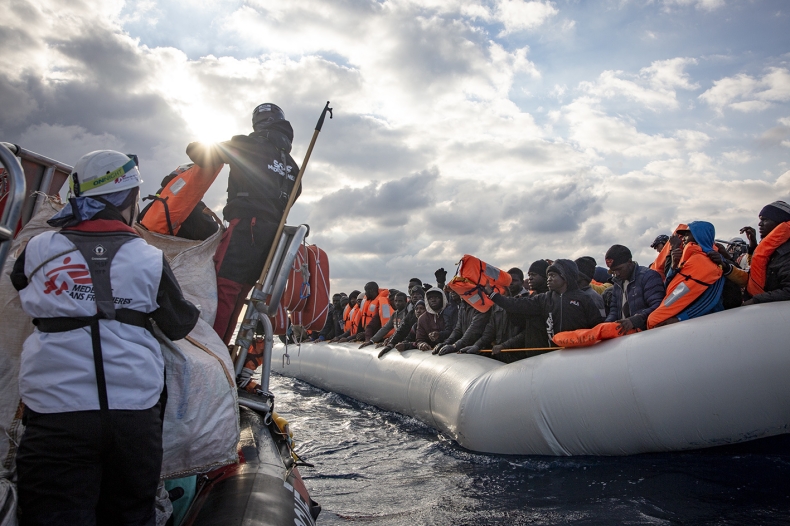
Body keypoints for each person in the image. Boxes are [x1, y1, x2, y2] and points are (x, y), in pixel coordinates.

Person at [10, 150, 200, 525]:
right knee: (129, 514)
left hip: (56, 416)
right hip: (133, 419)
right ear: (128, 199)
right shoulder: (149, 258)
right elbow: (179, 324)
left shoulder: (37, 250)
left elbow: (18, 284)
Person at [186, 103, 302, 344]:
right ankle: (227, 355)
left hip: (245, 229)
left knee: (223, 292)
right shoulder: (292, 166)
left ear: (257, 124)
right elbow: (294, 194)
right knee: (239, 296)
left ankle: (210, 354)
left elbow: (201, 154)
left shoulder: (247, 145)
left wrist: (193, 146)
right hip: (272, 239)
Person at [485, 259, 604, 347]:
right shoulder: (544, 299)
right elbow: (516, 305)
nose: (549, 279)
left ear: (566, 276)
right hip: (552, 355)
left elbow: (597, 327)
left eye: (553, 275)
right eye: (548, 276)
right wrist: (492, 294)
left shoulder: (585, 298)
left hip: (581, 353)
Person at [647, 221, 725, 328]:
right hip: (684, 322)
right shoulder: (687, 260)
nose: (683, 238)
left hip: (707, 322)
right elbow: (670, 289)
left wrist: (680, 318)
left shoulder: (714, 261)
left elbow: (711, 299)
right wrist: (674, 265)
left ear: (699, 236)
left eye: (688, 234)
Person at [711, 201, 790, 304]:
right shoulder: (772, 252)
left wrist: (754, 301)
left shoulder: (786, 253)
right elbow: (751, 277)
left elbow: (788, 291)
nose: (759, 224)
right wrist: (725, 265)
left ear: (780, 223)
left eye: (764, 220)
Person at [602, 245, 664, 334]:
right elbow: (614, 311)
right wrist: (605, 326)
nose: (617, 274)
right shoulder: (617, 283)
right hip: (625, 335)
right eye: (613, 271)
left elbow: (658, 306)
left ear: (630, 262)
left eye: (619, 269)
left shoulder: (649, 277)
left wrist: (635, 321)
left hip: (648, 334)